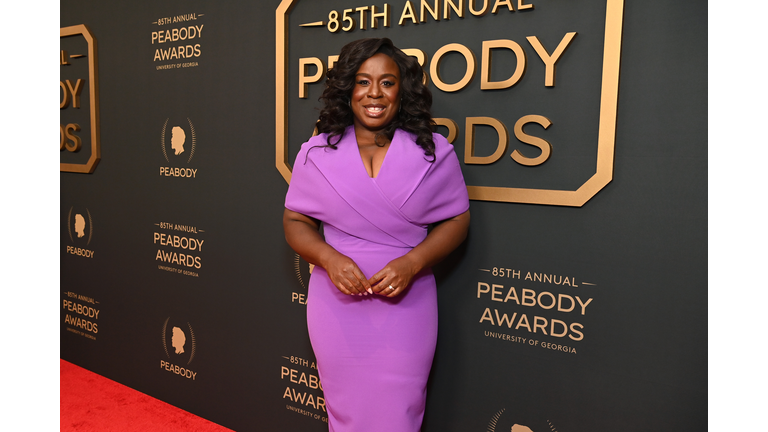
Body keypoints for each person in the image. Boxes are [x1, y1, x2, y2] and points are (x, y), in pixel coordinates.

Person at [283, 37, 470, 432]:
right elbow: (295, 222)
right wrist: (329, 259)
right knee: (345, 410)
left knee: (399, 413)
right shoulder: (316, 153)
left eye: (387, 82)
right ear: (347, 88)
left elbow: (457, 221)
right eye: (363, 81)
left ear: (402, 91)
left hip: (408, 303)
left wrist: (413, 262)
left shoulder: (433, 153)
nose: (374, 93)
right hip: (336, 304)